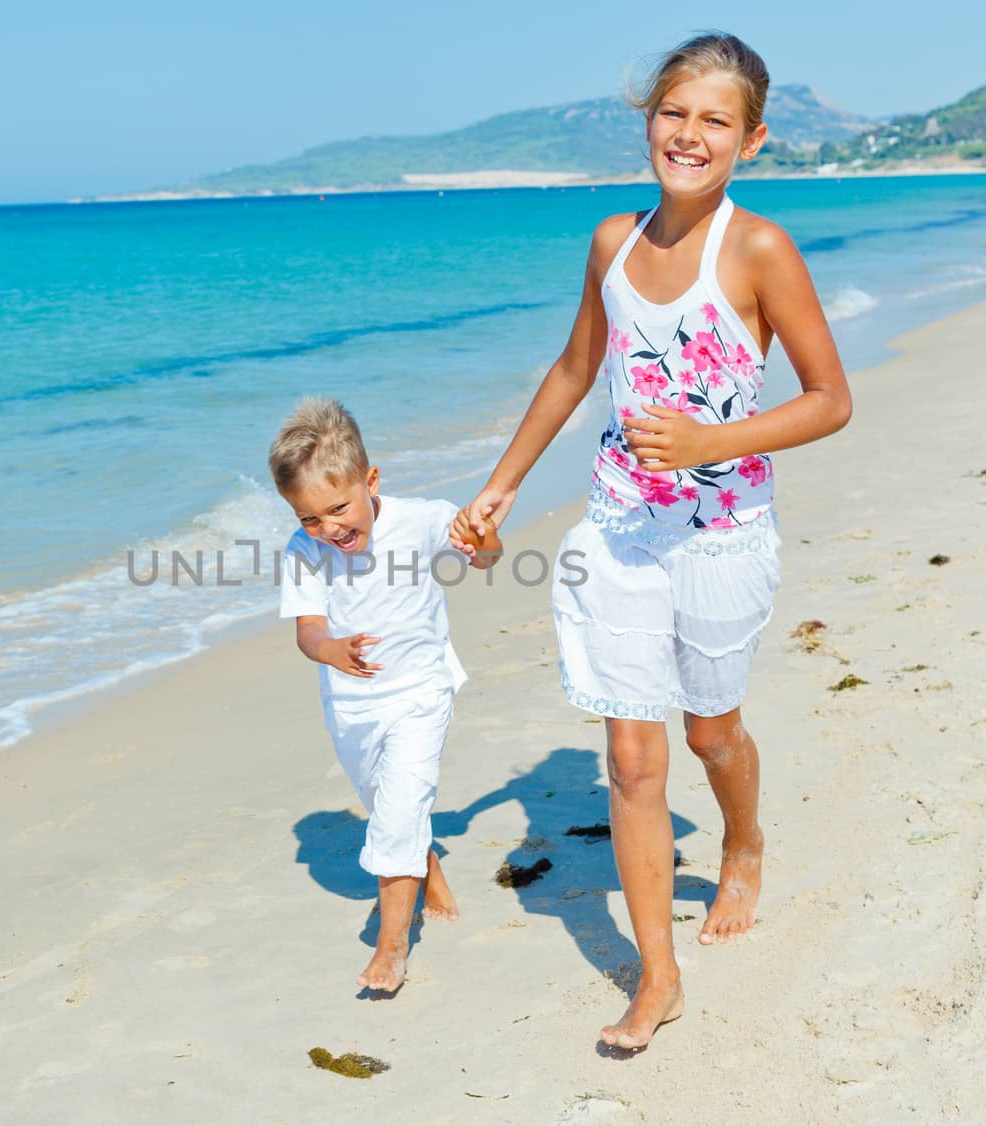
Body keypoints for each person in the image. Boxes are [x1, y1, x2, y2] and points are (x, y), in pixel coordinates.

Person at [452, 32, 852, 1049]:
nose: (690, 133)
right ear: (646, 121)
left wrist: (711, 439)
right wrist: (499, 488)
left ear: (750, 140)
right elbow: (573, 368)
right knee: (632, 760)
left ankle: (743, 838)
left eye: (715, 120)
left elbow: (828, 401)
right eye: (674, 112)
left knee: (710, 733)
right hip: (619, 532)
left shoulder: (758, 250)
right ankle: (656, 976)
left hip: (722, 535)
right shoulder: (610, 244)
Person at [270, 397, 501, 993]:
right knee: (388, 803)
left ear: (370, 481)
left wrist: (484, 539)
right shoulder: (305, 553)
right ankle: (429, 870)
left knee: (400, 805)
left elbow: (486, 557)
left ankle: (392, 945)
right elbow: (308, 631)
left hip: (422, 690)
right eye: (309, 518)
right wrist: (333, 652)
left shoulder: (422, 520)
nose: (328, 529)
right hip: (351, 704)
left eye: (338, 508)